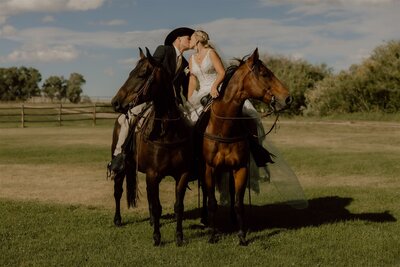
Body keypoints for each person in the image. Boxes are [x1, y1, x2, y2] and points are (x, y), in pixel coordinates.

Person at [108, 27, 195, 175]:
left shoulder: (186, 63)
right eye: (188, 38)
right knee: (128, 118)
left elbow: (186, 88)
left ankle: (191, 160)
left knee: (191, 124)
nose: (191, 41)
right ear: (178, 39)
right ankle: (119, 155)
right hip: (152, 98)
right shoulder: (164, 50)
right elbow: (152, 69)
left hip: (174, 103)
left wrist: (189, 103)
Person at [185, 30, 225, 122]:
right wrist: (190, 99)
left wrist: (214, 87)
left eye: (191, 38)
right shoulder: (191, 59)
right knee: (191, 118)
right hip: (202, 91)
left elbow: (222, 73)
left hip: (216, 88)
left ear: (197, 40)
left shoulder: (211, 53)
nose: (189, 41)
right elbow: (192, 80)